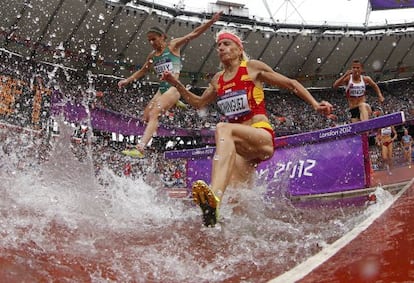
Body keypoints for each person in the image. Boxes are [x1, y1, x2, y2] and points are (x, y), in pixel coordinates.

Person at [162, 29, 333, 227]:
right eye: (218, 46)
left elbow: (291, 83)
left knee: (222, 128)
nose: (221, 48)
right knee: (237, 202)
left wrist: (314, 104)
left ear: (238, 48)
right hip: (243, 149)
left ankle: (214, 196)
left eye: (226, 44)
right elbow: (199, 103)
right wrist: (177, 84)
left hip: (261, 135)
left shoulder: (252, 67)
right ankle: (237, 228)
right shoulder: (218, 79)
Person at [119, 12, 222, 158]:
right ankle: (174, 103)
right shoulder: (152, 56)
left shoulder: (173, 46)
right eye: (149, 40)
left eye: (154, 39)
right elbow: (142, 71)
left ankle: (141, 148)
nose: (151, 43)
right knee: (146, 116)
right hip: (162, 90)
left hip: (174, 88)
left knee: (155, 113)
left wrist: (210, 22)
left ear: (163, 37)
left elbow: (193, 34)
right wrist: (126, 80)